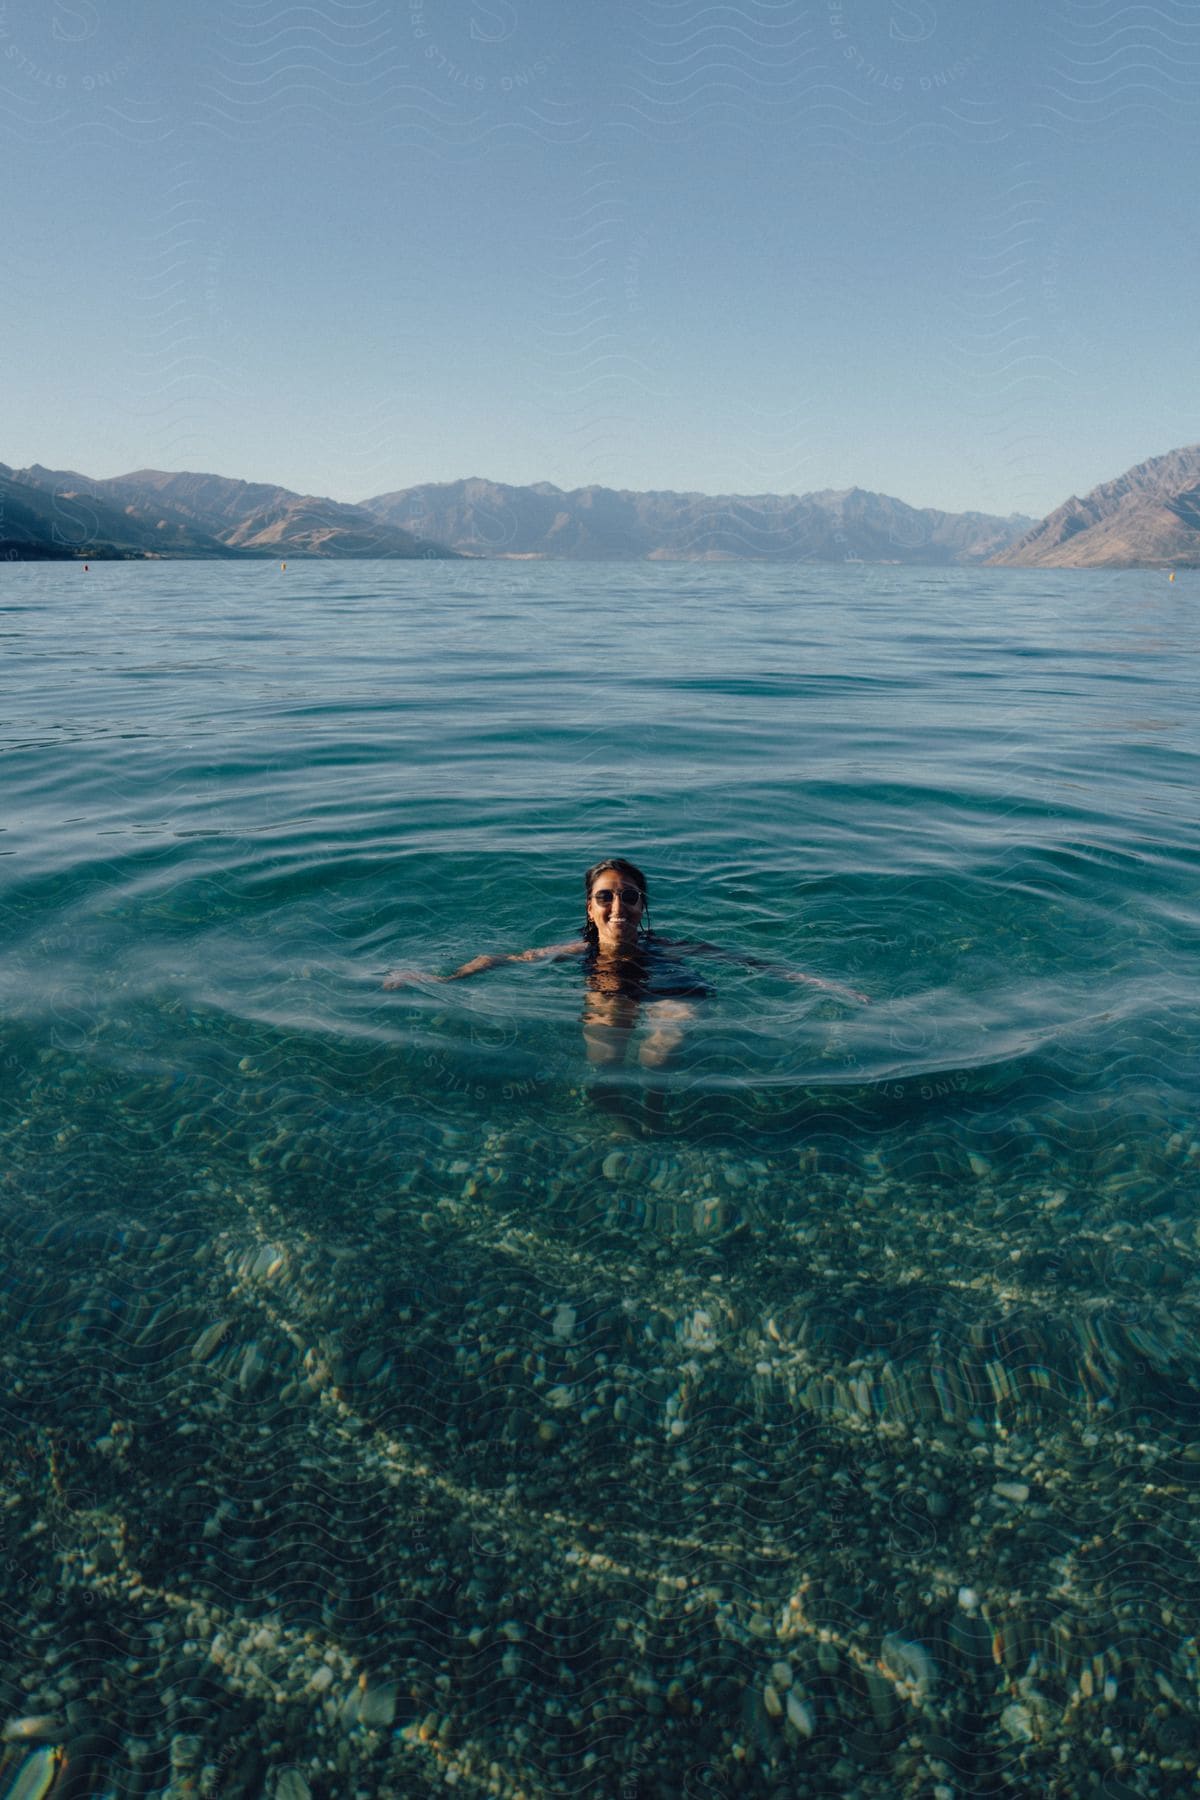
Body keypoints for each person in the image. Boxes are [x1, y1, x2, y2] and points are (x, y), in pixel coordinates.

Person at [383, 857, 868, 1070]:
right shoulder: (578, 951)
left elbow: (750, 962)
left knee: (660, 1052)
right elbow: (505, 958)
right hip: (607, 986)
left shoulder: (669, 946)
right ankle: (616, 1111)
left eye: (630, 896)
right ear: (590, 909)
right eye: (606, 896)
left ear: (642, 905)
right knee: (606, 1059)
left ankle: (654, 1103)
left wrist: (824, 985)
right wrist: (437, 979)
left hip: (672, 984)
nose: (619, 905)